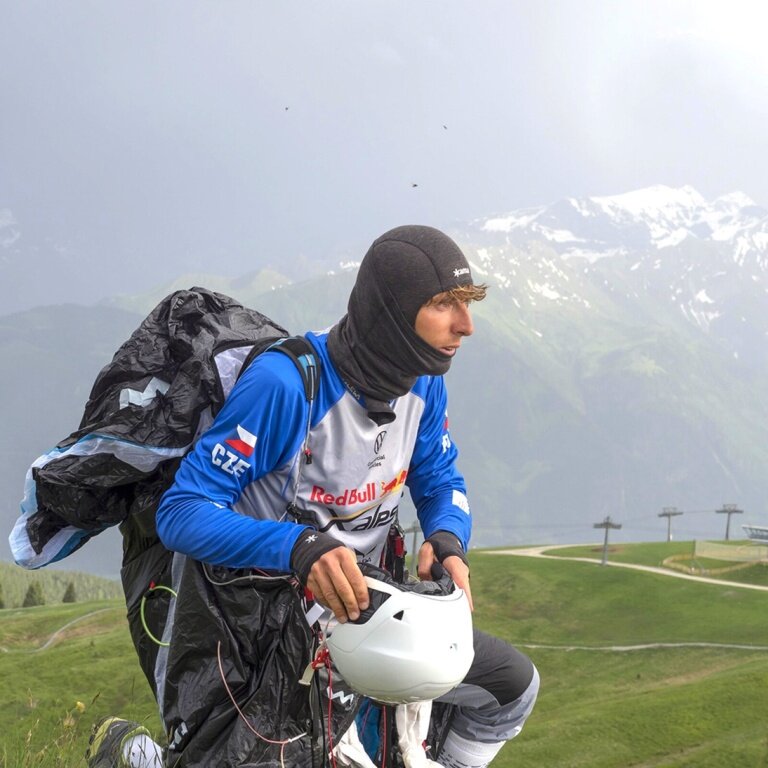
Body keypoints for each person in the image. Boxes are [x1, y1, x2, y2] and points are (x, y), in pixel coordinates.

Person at [86, 225, 539, 768]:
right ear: (392, 311)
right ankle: (132, 755)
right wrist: (299, 548)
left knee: (512, 690)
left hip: (371, 614)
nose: (466, 325)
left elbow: (440, 477)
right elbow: (182, 513)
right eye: (444, 304)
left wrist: (447, 538)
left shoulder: (423, 381)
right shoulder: (286, 386)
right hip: (263, 627)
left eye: (466, 304)